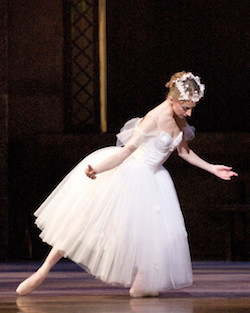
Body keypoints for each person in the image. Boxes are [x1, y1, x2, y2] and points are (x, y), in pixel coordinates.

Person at [16, 71, 238, 297]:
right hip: (132, 173)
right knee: (86, 221)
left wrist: (212, 168)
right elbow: (125, 153)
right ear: (171, 99)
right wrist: (98, 169)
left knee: (162, 232)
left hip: (155, 178)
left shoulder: (180, 118)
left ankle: (142, 281)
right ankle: (43, 271)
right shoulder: (153, 119)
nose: (189, 113)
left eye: (192, 107)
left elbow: (184, 152)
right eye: (185, 107)